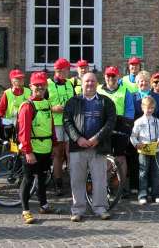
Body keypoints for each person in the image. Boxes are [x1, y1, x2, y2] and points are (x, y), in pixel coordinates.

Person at [63, 72, 116, 222]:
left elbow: (110, 122)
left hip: (98, 147)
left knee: (100, 179)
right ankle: (78, 209)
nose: (90, 84)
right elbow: (67, 121)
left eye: (93, 81)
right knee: (77, 180)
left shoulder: (106, 102)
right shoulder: (72, 102)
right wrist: (78, 138)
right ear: (81, 83)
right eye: (87, 81)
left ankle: (100, 208)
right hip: (78, 147)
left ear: (97, 83)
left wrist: (97, 138)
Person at [17, 71, 55, 224]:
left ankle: (43, 205)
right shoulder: (27, 106)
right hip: (33, 149)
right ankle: (26, 210)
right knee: (28, 179)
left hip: (46, 148)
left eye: (42, 85)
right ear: (31, 86)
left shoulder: (46, 103)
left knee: (43, 178)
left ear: (46, 86)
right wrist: (28, 151)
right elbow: (23, 131)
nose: (39, 87)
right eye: (36, 85)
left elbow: (50, 125)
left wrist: (54, 143)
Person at [97, 66, 135, 196]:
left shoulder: (126, 91)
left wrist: (126, 127)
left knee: (120, 158)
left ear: (118, 77)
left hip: (120, 126)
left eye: (113, 76)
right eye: (108, 76)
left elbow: (130, 111)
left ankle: (122, 186)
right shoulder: (98, 90)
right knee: (105, 158)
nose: (111, 78)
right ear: (104, 76)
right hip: (103, 127)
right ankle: (104, 185)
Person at [47, 57, 75, 196]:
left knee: (71, 153)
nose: (66, 72)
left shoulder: (70, 84)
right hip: (55, 123)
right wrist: (53, 108)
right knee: (58, 154)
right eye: (64, 70)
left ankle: (73, 182)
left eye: (67, 70)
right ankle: (58, 182)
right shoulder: (47, 84)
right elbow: (39, 103)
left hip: (69, 123)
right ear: (57, 71)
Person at [131, 96, 159, 205]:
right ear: (142, 108)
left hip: (155, 150)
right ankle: (142, 195)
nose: (150, 110)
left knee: (155, 173)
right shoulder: (138, 122)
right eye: (148, 108)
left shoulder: (157, 121)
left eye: (152, 108)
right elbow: (133, 136)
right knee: (143, 173)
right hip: (143, 151)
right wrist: (137, 144)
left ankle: (156, 194)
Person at [0, 69, 31, 142]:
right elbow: (0, 109)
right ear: (12, 81)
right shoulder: (7, 93)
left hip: (25, 124)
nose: (21, 80)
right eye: (18, 79)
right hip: (10, 124)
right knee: (11, 146)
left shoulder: (29, 92)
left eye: (22, 78)